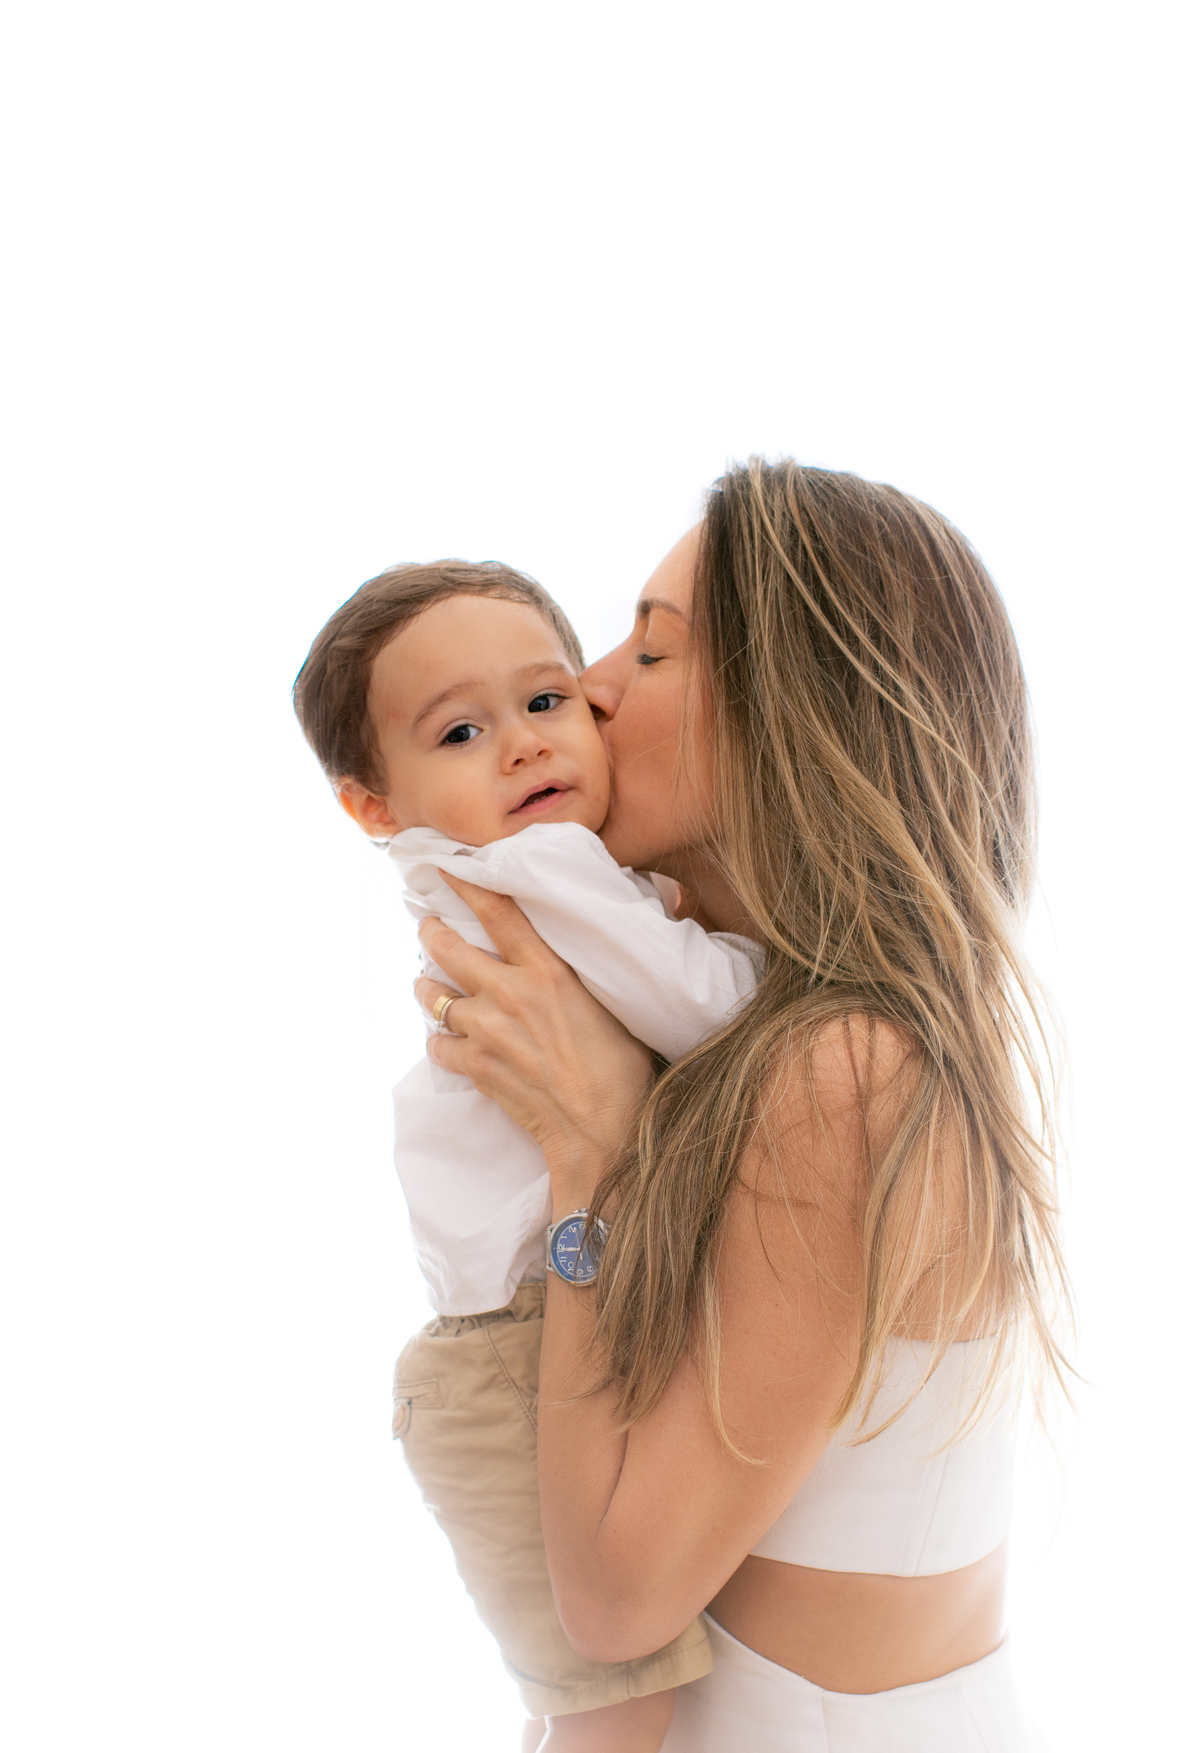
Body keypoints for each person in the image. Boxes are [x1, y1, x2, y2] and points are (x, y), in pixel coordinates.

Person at [412, 459, 1071, 1751]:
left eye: (653, 653)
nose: (591, 685)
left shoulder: (848, 1074)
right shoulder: (769, 1037)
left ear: (796, 722)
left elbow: (615, 1604)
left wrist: (590, 1158)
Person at [292, 560, 764, 1751]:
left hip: (525, 1331)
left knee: (604, 1707)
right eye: (460, 729)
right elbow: (706, 1013)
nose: (520, 746)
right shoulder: (537, 871)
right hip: (515, 1358)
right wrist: (781, 968)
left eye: (547, 702)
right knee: (619, 1707)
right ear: (372, 806)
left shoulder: (515, 870)